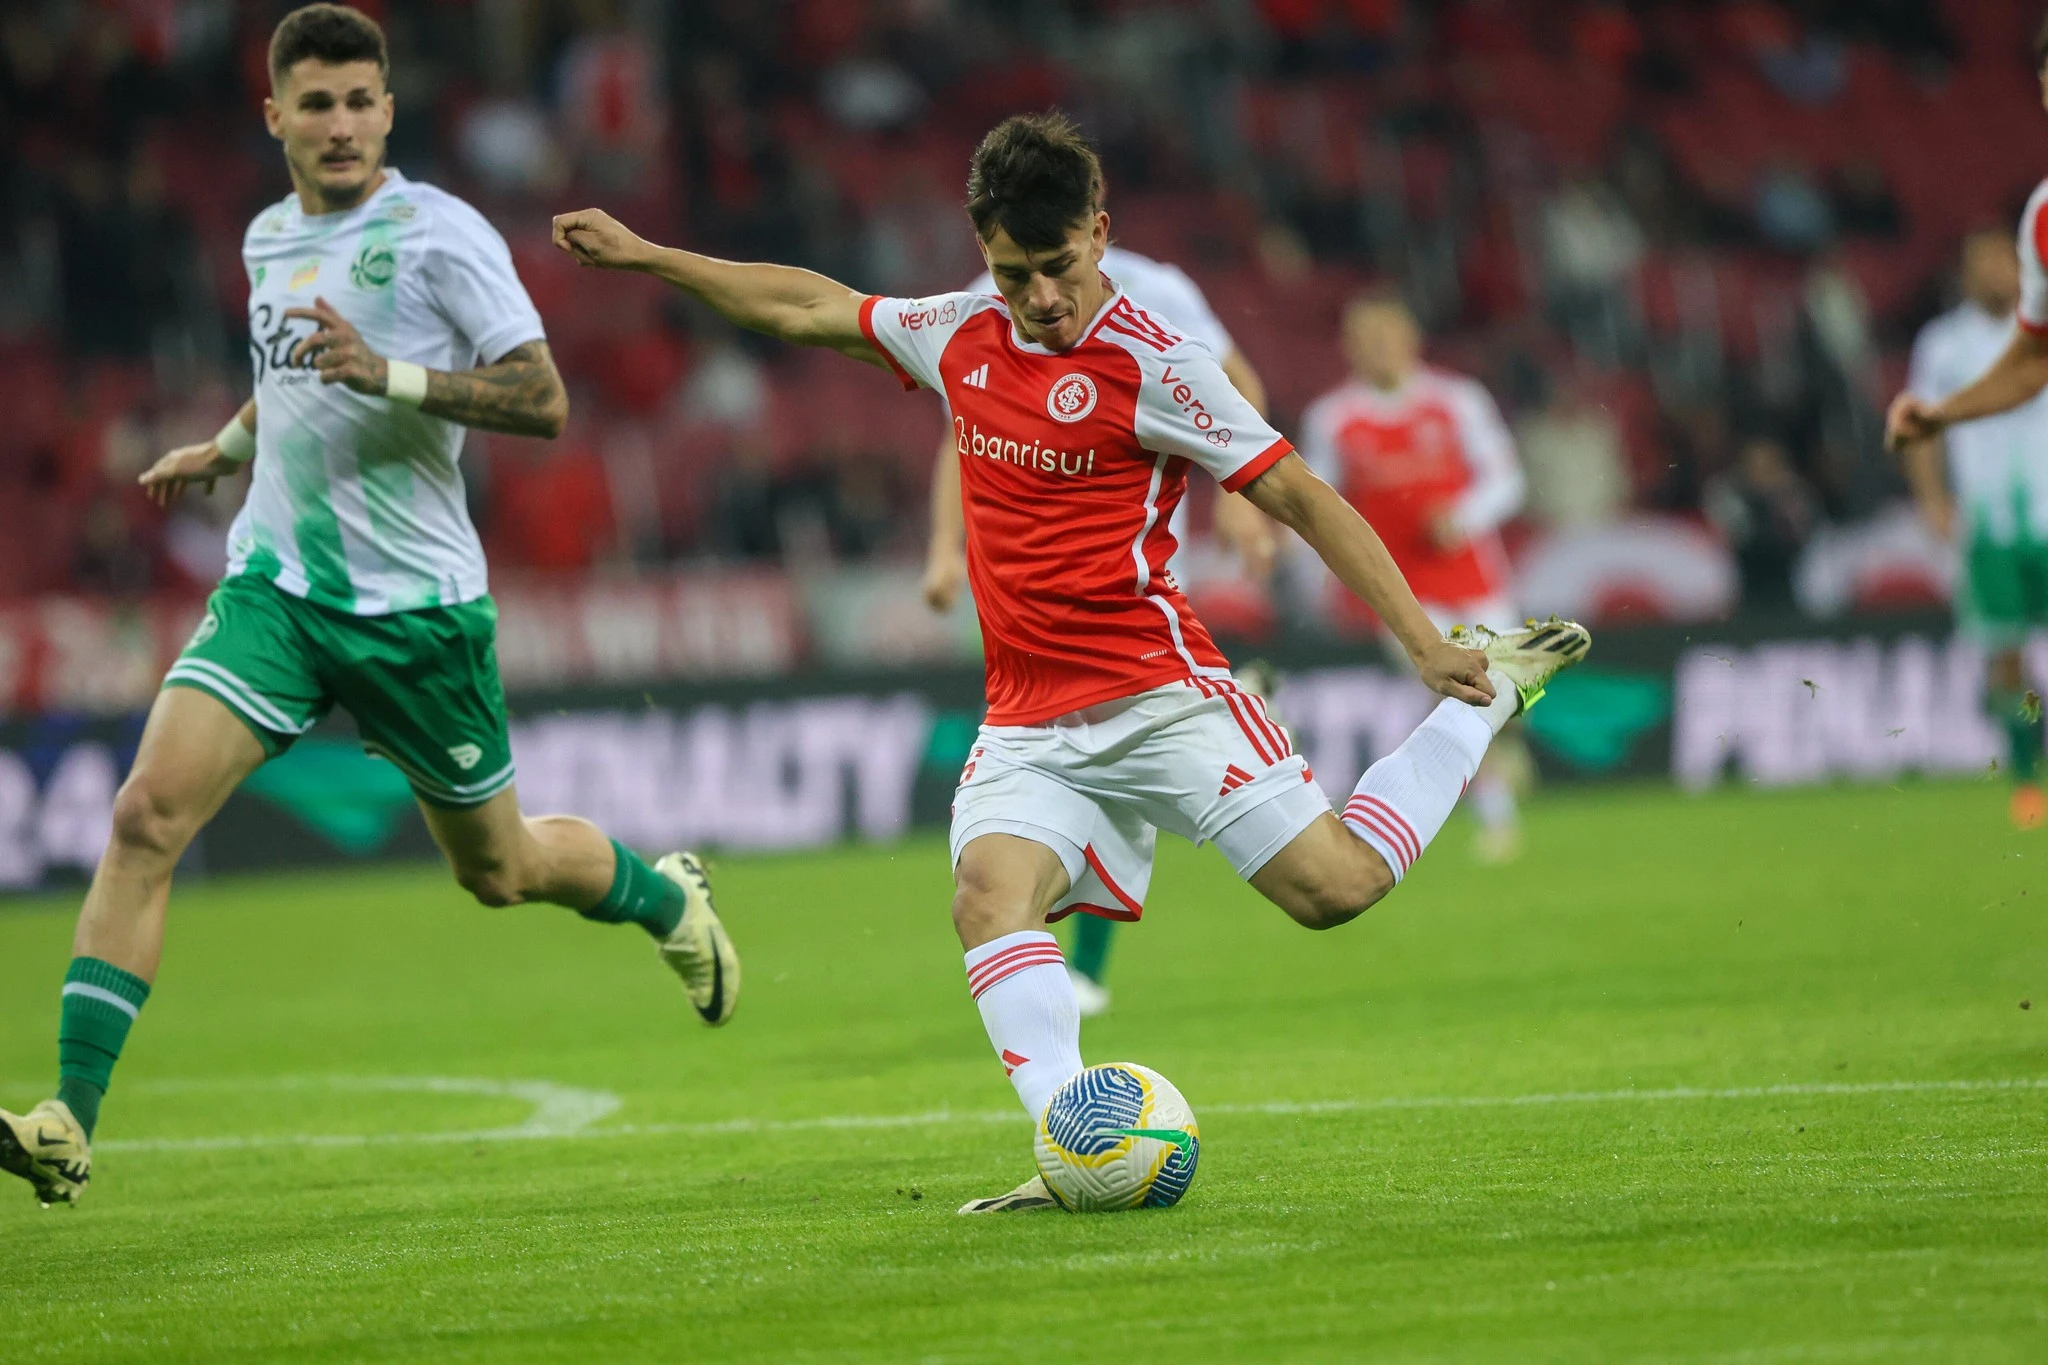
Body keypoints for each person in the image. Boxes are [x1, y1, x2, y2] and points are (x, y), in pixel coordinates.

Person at [550, 111, 1589, 1213]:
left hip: (1160, 696)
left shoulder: (1160, 363)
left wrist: (1425, 646)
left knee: (1333, 892)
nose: (1039, 296)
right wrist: (651, 256)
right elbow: (806, 304)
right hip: (1027, 725)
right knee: (987, 898)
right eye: (1013, 271)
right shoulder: (956, 328)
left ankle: (1486, 701)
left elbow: (1299, 496)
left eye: (1057, 266)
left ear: (1099, 232)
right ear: (979, 245)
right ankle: (1073, 1144)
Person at [0, 4, 739, 1211]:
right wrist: (226, 443)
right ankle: (68, 1122)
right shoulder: (263, 240)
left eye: (359, 101)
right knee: (143, 817)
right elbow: (289, 379)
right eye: (317, 103)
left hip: (417, 615)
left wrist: (387, 372)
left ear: (387, 110)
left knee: (497, 872)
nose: (339, 125)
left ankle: (665, 900)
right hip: (278, 591)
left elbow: (543, 401)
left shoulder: (441, 234)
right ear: (275, 115)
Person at [922, 244, 1280, 1018]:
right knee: (1085, 756)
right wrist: (944, 548)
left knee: (1112, 742)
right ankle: (1226, 709)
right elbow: (963, 431)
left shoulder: (1157, 287)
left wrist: (1242, 500)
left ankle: (1084, 966)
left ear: (1093, 220)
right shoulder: (985, 298)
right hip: (1020, 585)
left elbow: (1236, 382)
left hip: (1126, 574)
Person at [1300, 292, 1533, 862]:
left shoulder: (1457, 401)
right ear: (1349, 349)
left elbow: (1507, 478)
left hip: (1474, 579)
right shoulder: (1333, 419)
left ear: (1411, 342)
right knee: (1458, 699)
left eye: (1388, 338)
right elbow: (1313, 504)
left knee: (1490, 697)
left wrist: (1465, 515)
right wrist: (1319, 581)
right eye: (1367, 341)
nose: (1379, 351)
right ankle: (1497, 817)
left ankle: (1496, 783)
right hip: (1402, 593)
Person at [1896, 228, 2048, 828]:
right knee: (2005, 653)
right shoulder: (1943, 344)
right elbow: (1921, 425)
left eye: (2005, 261)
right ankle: (2024, 780)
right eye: (1984, 262)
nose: (1998, 272)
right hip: (1988, 522)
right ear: (1966, 274)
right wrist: (1933, 498)